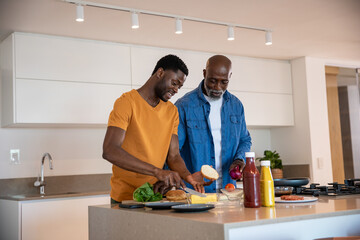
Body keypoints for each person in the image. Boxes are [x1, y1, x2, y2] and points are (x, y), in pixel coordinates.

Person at [103, 54, 205, 203]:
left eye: (179, 86)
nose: (176, 90)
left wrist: (187, 176)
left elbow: (174, 156)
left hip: (156, 197)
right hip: (125, 199)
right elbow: (110, 150)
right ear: (160, 73)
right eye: (174, 83)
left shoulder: (172, 111)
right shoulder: (126, 103)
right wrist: (157, 172)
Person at [175, 55, 252, 193]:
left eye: (224, 82)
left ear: (230, 77)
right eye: (212, 81)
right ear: (204, 73)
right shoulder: (184, 106)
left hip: (228, 190)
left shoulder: (236, 105)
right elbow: (174, 151)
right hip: (196, 191)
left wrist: (239, 159)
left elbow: (244, 139)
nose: (217, 87)